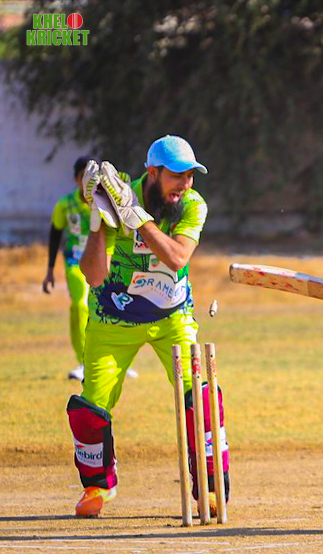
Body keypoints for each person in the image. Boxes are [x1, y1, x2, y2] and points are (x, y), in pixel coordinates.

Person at [68, 135, 229, 518]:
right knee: (90, 409)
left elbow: (177, 257)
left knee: (201, 399)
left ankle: (209, 487)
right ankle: (97, 486)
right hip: (113, 317)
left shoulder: (192, 204)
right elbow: (94, 276)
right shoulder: (118, 195)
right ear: (152, 172)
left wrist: (136, 217)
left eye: (190, 175)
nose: (185, 184)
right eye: (176, 175)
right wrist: (99, 223)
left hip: (172, 317)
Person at [42, 157, 137, 381]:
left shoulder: (107, 201)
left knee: (116, 307)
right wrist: (49, 270)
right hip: (75, 263)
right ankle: (85, 362)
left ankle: (118, 360)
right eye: (85, 177)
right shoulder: (66, 204)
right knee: (80, 305)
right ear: (77, 179)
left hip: (107, 261)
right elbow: (55, 234)